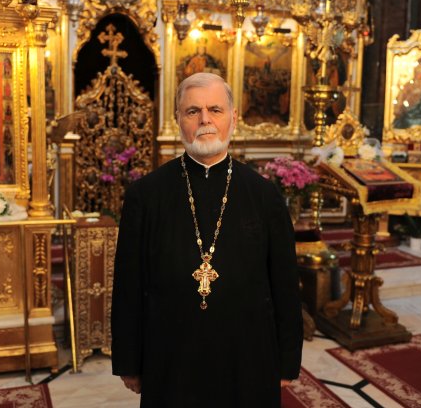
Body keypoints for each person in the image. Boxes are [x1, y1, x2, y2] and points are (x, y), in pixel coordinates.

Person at [112, 72, 303, 407]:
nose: (205, 120)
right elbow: (128, 284)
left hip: (248, 357)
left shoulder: (264, 195)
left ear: (233, 118)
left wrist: (287, 359)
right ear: (178, 119)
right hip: (170, 358)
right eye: (192, 111)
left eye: (215, 109)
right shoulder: (146, 195)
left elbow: (284, 283)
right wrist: (129, 361)